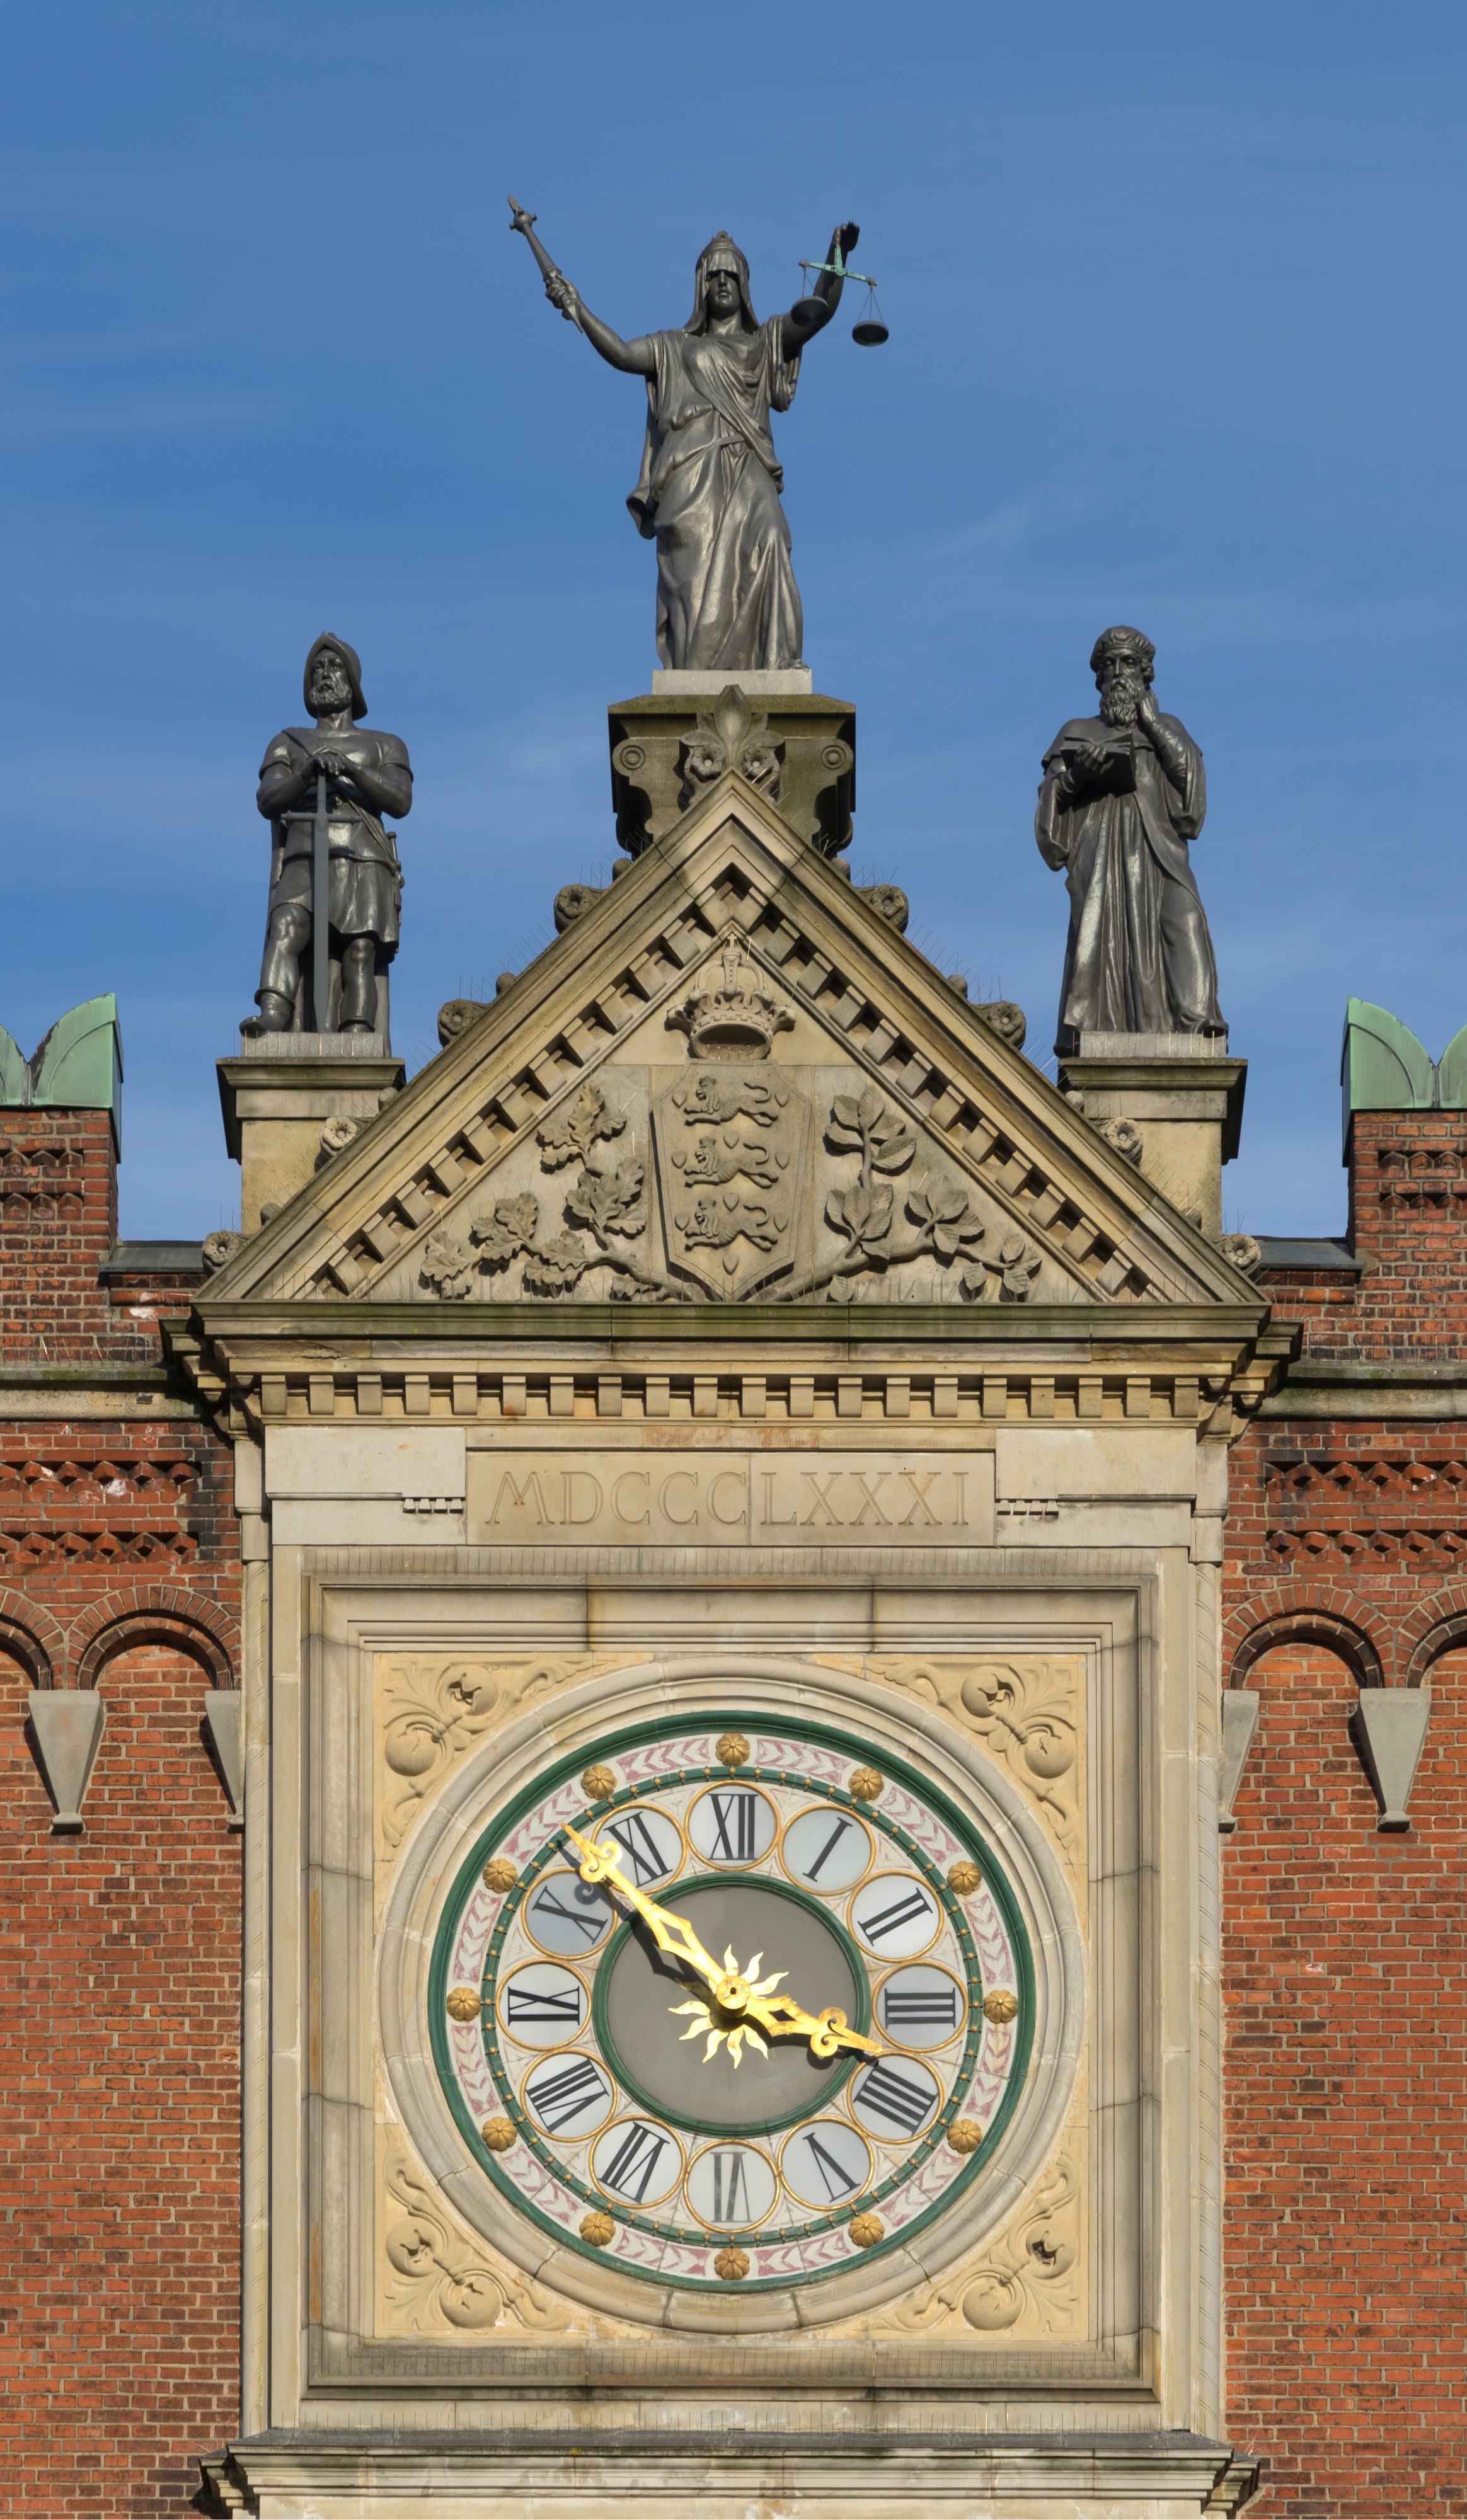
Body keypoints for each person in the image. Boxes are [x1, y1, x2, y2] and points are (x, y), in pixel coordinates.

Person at [537, 226, 857, 672]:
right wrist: (576, 307)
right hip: (691, 477)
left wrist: (837, 256)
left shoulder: (763, 343)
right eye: (713, 275)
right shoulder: (673, 346)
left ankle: (779, 660)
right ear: (701, 286)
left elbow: (817, 314)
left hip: (748, 466)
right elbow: (624, 355)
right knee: (699, 593)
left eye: (730, 275)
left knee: (772, 536)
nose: (722, 282)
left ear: (744, 286)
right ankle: (698, 674)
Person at [1035, 627, 1225, 1057]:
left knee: (1186, 920)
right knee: (1101, 941)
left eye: (1128, 664)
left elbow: (1193, 801)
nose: (1118, 673)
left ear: (1146, 674)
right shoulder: (1077, 730)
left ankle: (1197, 1031)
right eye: (1109, 665)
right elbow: (1049, 812)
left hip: (1161, 857)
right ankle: (1099, 1036)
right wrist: (1078, 776)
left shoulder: (1168, 730)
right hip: (1101, 859)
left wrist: (1155, 726)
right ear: (1099, 678)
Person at [246, 634, 412, 1036]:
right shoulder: (287, 742)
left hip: (364, 856)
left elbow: (401, 801)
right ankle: (273, 1016)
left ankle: (357, 1032)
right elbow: (268, 798)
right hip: (305, 855)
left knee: (360, 950)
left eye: (335, 667)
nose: (324, 675)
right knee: (286, 924)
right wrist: (306, 773)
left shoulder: (385, 744)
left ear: (353, 682)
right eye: (316, 669)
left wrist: (351, 770)